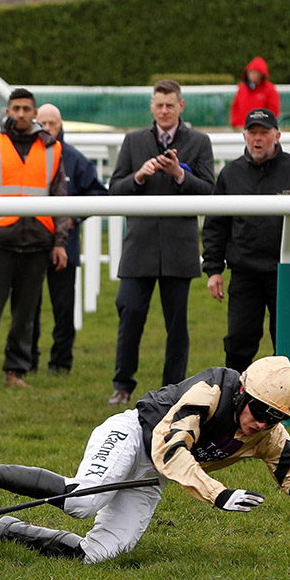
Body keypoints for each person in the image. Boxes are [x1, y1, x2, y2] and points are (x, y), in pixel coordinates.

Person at [0, 356, 290, 567]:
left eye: (273, 418)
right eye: (256, 410)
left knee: (102, 554)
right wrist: (218, 494)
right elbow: (169, 448)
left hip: (154, 476)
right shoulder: (211, 391)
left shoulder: (268, 435)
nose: (258, 424)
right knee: (82, 501)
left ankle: (11, 530)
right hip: (133, 437)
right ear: (242, 393)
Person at [106, 80, 216, 406]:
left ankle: (173, 389)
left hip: (178, 247)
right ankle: (122, 384)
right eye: (159, 105)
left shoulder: (198, 142)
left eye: (170, 105)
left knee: (177, 323)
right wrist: (139, 176)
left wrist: (179, 175)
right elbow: (115, 190)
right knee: (129, 311)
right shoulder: (134, 140)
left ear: (181, 106)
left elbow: (210, 191)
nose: (164, 111)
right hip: (139, 245)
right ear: (151, 107)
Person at [203, 108, 290, 372]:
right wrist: (214, 269)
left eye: (264, 132)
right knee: (238, 343)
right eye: (253, 133)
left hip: (286, 274)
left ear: (277, 135)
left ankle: (288, 410)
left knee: (289, 345)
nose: (258, 139)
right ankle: (238, 408)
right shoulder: (230, 174)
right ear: (244, 135)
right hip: (244, 273)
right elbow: (216, 226)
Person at [0, 88, 69, 390]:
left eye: (26, 109)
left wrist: (60, 242)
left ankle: (16, 372)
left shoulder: (52, 149)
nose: (21, 114)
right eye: (16, 108)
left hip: (37, 242)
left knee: (26, 314)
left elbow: (61, 198)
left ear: (35, 114)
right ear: (8, 111)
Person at [30, 103, 108, 375]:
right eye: (43, 124)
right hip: (31, 244)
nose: (48, 129)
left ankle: (61, 364)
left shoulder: (74, 159)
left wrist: (73, 218)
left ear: (61, 126)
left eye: (53, 124)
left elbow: (98, 194)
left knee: (63, 309)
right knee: (29, 308)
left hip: (66, 245)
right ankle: (27, 362)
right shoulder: (27, 158)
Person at [230, 57, 281, 130]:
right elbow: (235, 106)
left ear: (261, 74)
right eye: (250, 72)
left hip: (260, 130)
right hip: (241, 128)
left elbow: (273, 111)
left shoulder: (270, 90)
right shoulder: (242, 88)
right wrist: (234, 123)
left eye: (255, 72)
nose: (252, 75)